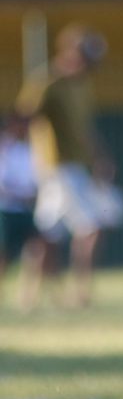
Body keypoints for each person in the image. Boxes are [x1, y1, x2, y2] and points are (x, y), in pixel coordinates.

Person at [16, 25, 122, 308]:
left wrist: (99, 156)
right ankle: (80, 292)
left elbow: (84, 128)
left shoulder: (81, 85)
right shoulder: (48, 82)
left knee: (46, 233)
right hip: (57, 167)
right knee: (90, 227)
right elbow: (25, 117)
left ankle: (28, 295)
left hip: (75, 166)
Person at [0, 112, 43, 304]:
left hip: (26, 210)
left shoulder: (30, 148)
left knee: (36, 249)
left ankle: (27, 295)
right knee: (4, 255)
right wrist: (21, 195)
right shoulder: (4, 149)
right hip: (6, 210)